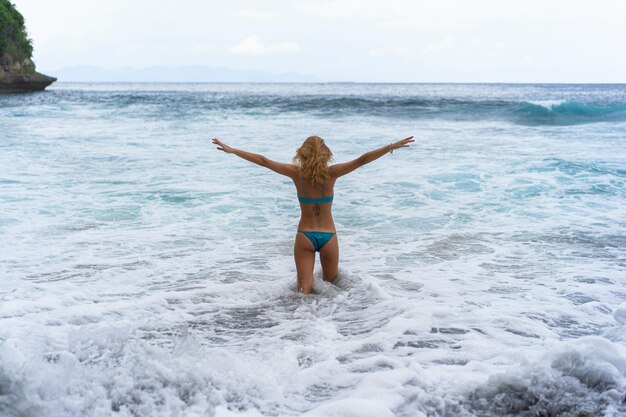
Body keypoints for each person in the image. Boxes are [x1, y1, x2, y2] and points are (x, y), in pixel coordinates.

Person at [212, 135, 414, 294]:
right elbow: (362, 160)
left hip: (305, 236)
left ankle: (301, 325)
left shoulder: (295, 173)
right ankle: (330, 327)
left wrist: (233, 150)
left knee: (303, 290)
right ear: (325, 154)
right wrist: (389, 147)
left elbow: (264, 161)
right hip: (329, 237)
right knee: (331, 289)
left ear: (302, 154)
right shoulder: (332, 173)